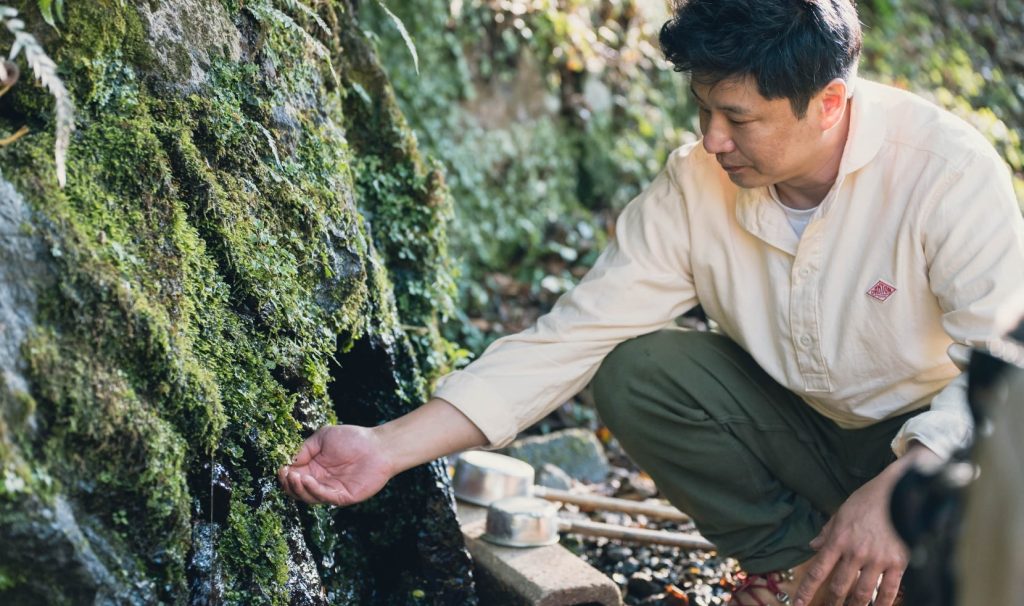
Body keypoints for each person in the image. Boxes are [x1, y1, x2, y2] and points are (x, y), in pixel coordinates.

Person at [279, 1, 1024, 604]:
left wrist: (901, 492)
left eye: (738, 118)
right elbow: (567, 339)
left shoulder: (946, 172)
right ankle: (805, 577)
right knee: (637, 368)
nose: (712, 140)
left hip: (945, 459)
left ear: (828, 103)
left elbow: (1002, 370)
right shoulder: (695, 186)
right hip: (807, 435)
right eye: (703, 110)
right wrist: (384, 447)